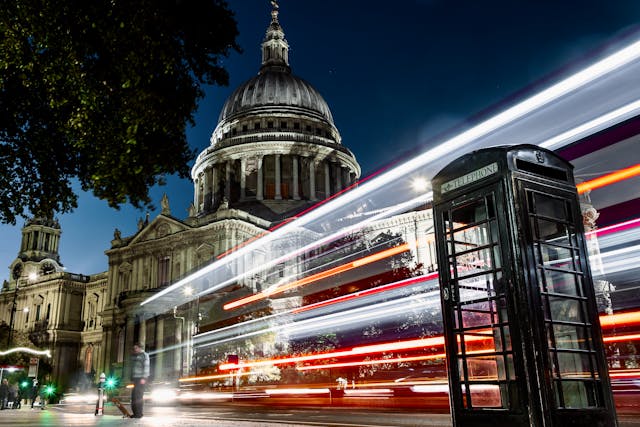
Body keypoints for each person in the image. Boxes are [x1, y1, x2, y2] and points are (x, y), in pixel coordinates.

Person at [130, 342, 150, 418]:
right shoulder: (136, 355)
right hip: (135, 378)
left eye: (136, 348)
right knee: (134, 396)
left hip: (141, 379)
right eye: (134, 348)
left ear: (140, 348)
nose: (135, 349)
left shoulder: (144, 355)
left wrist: (144, 378)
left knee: (138, 396)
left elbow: (146, 367)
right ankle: (135, 413)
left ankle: (139, 414)